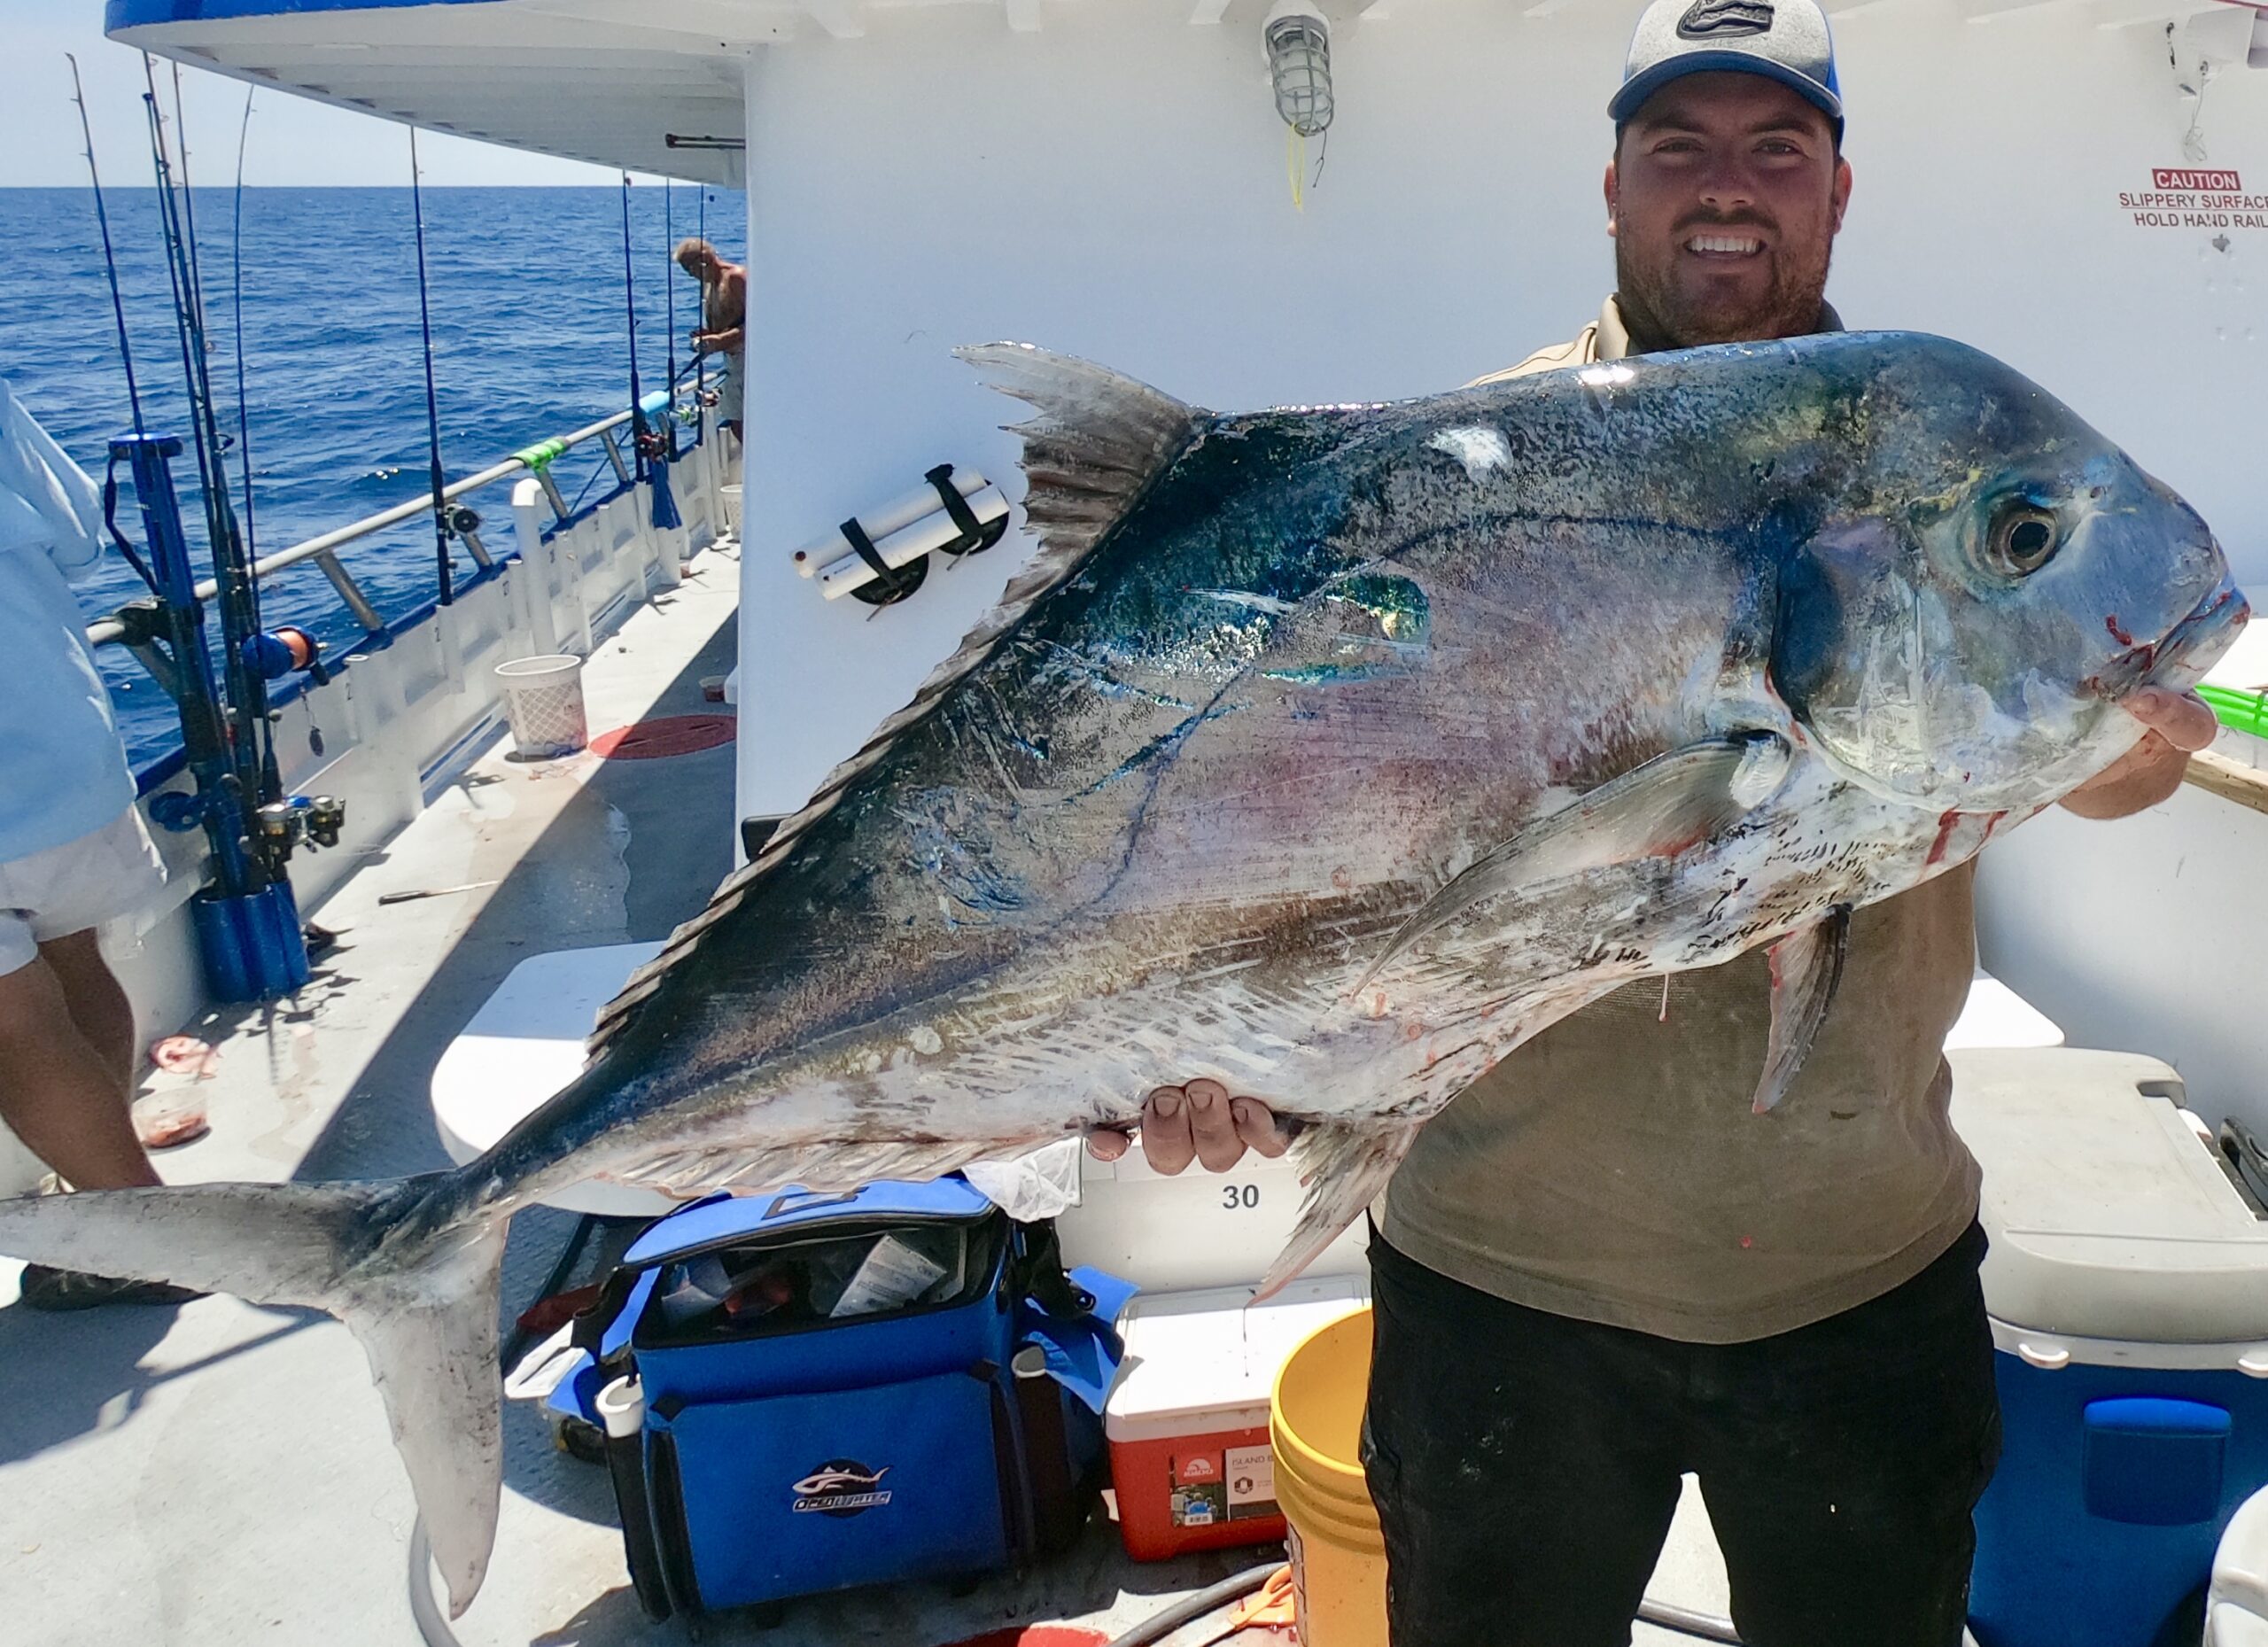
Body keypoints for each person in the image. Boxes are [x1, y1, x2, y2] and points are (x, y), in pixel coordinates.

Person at [1088, 4, 2221, 1643]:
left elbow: (2118, 751)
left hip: (1862, 1275)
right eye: (1678, 145)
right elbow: (1303, 824)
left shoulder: (1938, 463)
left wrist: (2121, 738)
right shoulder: (1476, 469)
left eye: (1777, 147)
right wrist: (1223, 1040)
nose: (1726, 187)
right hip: (1501, 1286)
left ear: (1841, 190)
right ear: (1611, 186)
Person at [0, 380, 192, 1311]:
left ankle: (140, 1240)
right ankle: (100, 1192)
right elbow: (78, 530)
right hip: (67, 751)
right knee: (74, 961)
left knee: (13, 1029)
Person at [674, 237, 747, 441]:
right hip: (732, 364)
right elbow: (729, 322)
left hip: (751, 362)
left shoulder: (736, 278)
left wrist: (720, 339)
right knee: (737, 423)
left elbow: (759, 324)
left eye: (691, 269)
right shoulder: (710, 286)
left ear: (703, 261)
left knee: (752, 421)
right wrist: (708, 335)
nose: (691, 276)